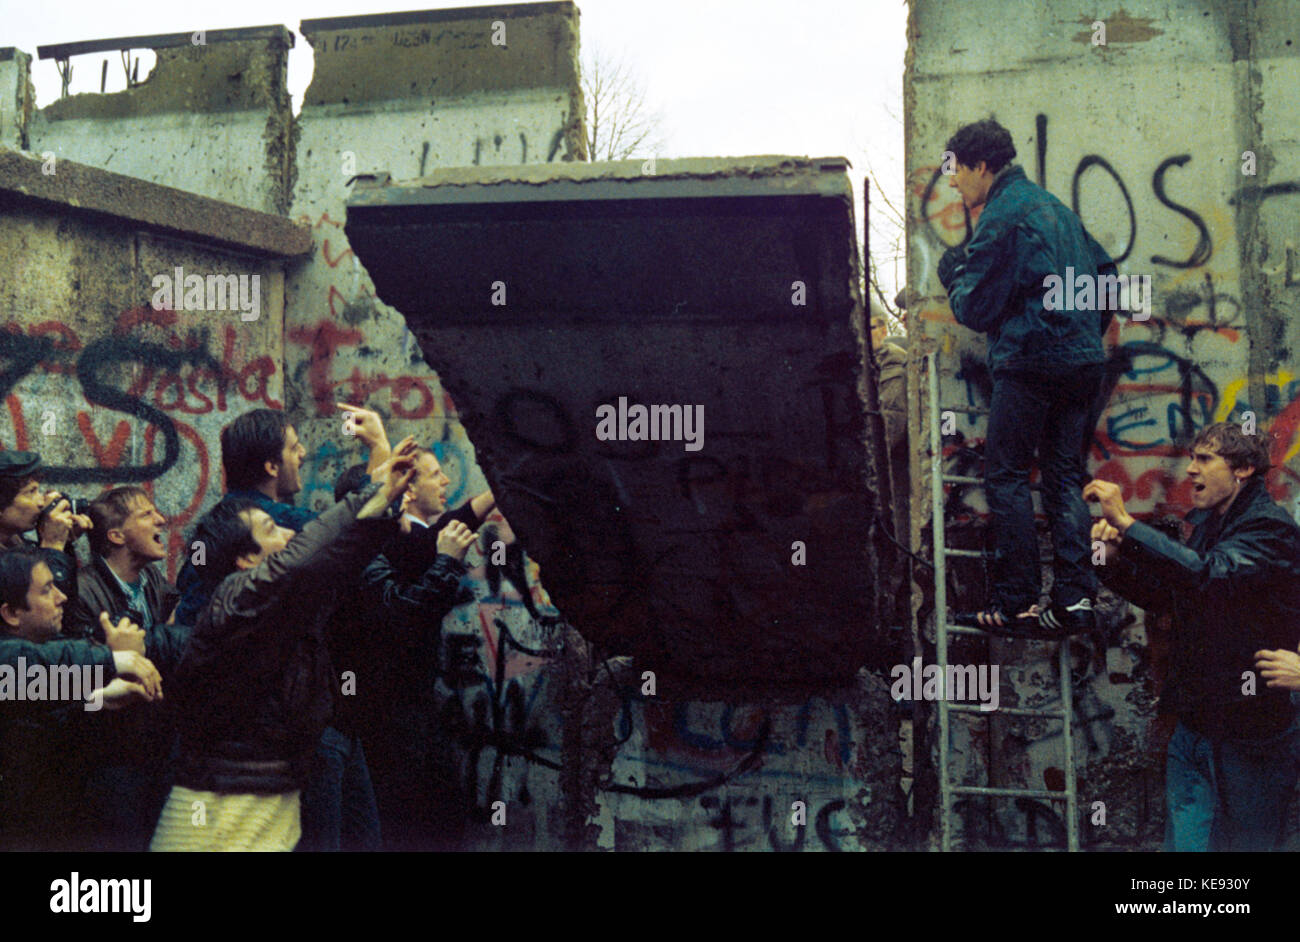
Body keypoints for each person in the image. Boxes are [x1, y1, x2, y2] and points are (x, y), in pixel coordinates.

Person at [149, 438, 419, 851]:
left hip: (263, 808)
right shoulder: (238, 595)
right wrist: (373, 493)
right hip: (220, 816)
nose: (290, 531)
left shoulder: (277, 605)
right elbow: (305, 559)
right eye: (272, 530)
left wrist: (383, 506)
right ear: (246, 560)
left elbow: (336, 561)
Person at [937, 118, 1115, 635]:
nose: (952, 182)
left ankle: (1017, 601)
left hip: (1032, 363)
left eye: (955, 170)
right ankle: (1076, 601)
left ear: (980, 166)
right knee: (1063, 477)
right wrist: (1080, 331)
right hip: (1082, 365)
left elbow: (974, 307)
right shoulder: (1056, 208)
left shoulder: (1003, 214)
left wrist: (954, 275)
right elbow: (1107, 277)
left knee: (1008, 475)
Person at [1087, 422, 1300, 851]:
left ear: (1241, 469)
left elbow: (1209, 576)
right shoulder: (1207, 522)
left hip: (1250, 730)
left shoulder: (1269, 528)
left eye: (1205, 459)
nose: (1190, 470)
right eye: (1192, 458)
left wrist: (1129, 525)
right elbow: (1170, 598)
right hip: (1196, 723)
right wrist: (1108, 560)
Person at [357, 447, 490, 850]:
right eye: (435, 474)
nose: (446, 481)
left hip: (408, 710)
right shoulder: (403, 543)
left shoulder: (411, 540)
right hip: (397, 716)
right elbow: (436, 537)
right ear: (408, 491)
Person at [0, 547, 162, 850]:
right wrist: (113, 659)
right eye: (47, 590)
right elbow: (25, 673)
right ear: (11, 613)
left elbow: (45, 710)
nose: (62, 597)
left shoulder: (43, 655)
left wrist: (99, 699)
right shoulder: (14, 665)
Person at [65, 487, 189, 850]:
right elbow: (77, 683)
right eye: (147, 515)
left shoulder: (152, 582)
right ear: (117, 536)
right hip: (113, 761)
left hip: (157, 749)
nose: (162, 521)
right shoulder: (82, 593)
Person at [0, 450, 91, 601]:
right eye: (30, 492)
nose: (41, 502)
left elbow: (69, 602)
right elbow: (47, 608)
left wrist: (63, 542)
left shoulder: (17, 545)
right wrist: (53, 545)